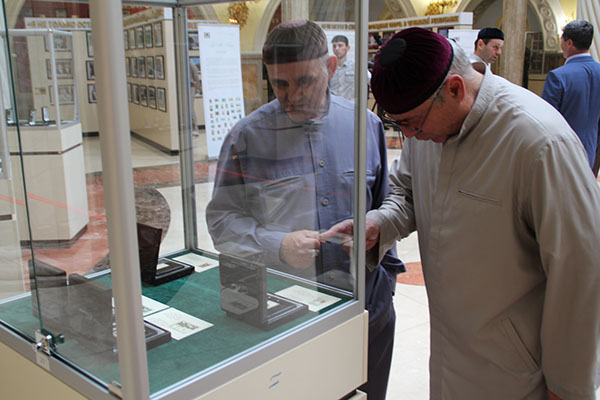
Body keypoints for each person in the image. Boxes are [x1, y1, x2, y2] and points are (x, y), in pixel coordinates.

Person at [325, 27, 600, 399]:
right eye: (400, 125)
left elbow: (582, 273)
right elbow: (407, 191)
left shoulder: (539, 143)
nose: (411, 136)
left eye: (412, 123)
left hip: (516, 376)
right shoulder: (428, 125)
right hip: (449, 357)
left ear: (454, 89)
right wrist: (380, 223)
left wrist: (568, 388)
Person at [206, 20, 404, 400]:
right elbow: (222, 219)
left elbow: (386, 205)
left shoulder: (366, 125)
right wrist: (276, 245)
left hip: (368, 311)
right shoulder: (246, 137)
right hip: (287, 319)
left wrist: (383, 267)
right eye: (280, 83)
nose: (292, 95)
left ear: (330, 67)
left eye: (305, 81)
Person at [542, 20, 600, 175]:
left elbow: (545, 121)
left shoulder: (558, 76)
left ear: (569, 43)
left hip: (563, 154)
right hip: (591, 152)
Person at [330, 34, 355, 100]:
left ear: (347, 48)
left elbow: (370, 81)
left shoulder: (356, 67)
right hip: (333, 104)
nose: (337, 48)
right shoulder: (329, 67)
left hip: (350, 104)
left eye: (340, 45)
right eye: (334, 46)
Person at [189, 59, 200, 133]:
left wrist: (196, 89)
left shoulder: (191, 64)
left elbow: (196, 78)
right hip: (184, 88)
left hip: (191, 88)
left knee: (190, 108)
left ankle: (195, 128)